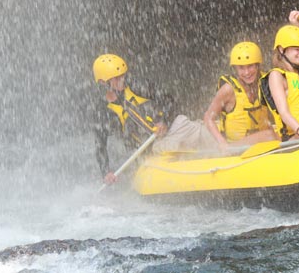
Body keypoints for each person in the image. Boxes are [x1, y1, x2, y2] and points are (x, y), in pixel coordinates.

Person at [92, 54, 219, 185]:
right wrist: (106, 172)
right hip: (150, 147)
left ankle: (226, 149)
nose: (122, 80)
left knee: (194, 129)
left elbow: (169, 100)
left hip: (173, 128)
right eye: (116, 78)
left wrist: (163, 121)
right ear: (103, 82)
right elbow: (100, 145)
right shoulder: (102, 111)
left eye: (123, 75)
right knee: (170, 147)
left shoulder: (137, 86)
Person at [202, 42, 277, 153]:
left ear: (257, 65)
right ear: (235, 69)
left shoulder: (266, 82)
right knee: (270, 135)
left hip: (261, 145)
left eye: (250, 66)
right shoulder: (228, 90)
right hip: (238, 147)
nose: (246, 73)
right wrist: (222, 143)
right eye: (241, 68)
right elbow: (208, 118)